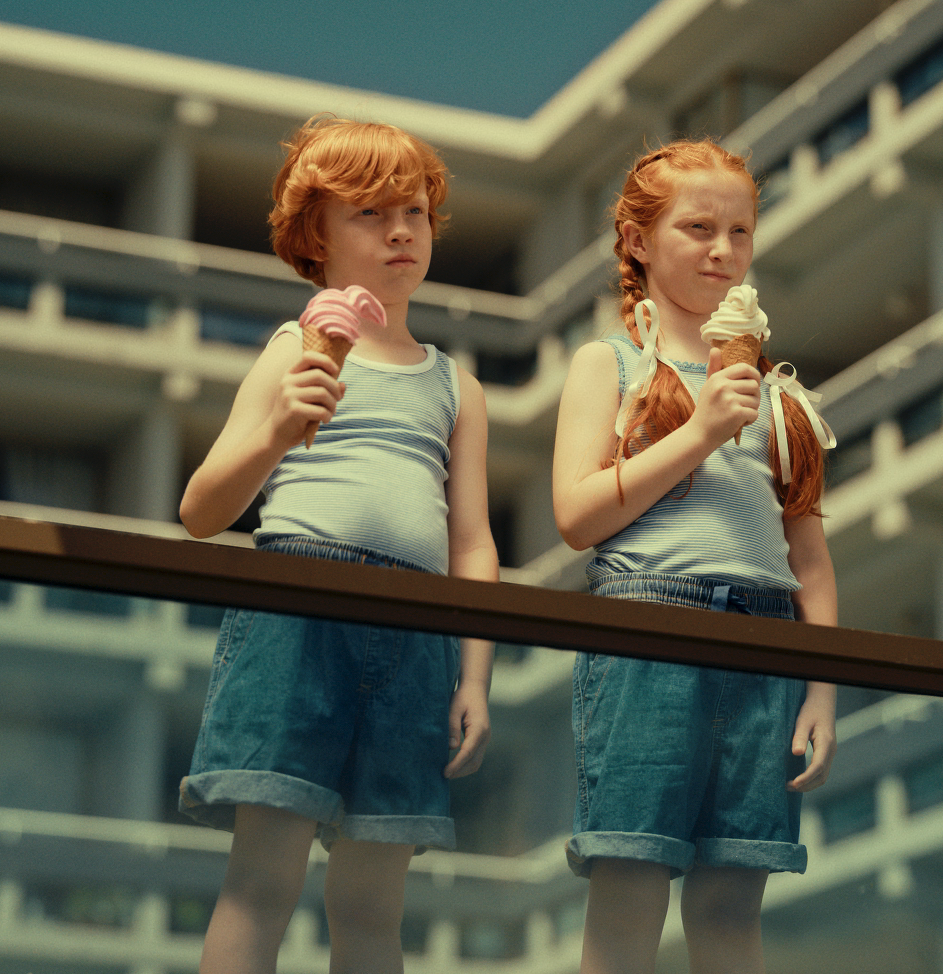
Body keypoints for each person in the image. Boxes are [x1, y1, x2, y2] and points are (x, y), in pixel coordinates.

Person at [178, 115, 498, 974]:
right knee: (261, 882)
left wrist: (473, 676)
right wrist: (278, 428)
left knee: (371, 907)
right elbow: (202, 508)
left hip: (417, 635)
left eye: (416, 212)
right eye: (369, 213)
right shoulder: (294, 346)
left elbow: (472, 544)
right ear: (313, 239)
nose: (400, 230)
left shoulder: (454, 384)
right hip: (296, 609)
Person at [550, 139, 838, 974]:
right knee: (629, 889)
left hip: (767, 645)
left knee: (730, 905)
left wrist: (820, 689)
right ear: (638, 241)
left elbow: (808, 559)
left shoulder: (782, 398)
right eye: (697, 227)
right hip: (649, 627)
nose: (722, 250)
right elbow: (575, 514)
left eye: (739, 231)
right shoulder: (608, 363)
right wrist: (702, 430)